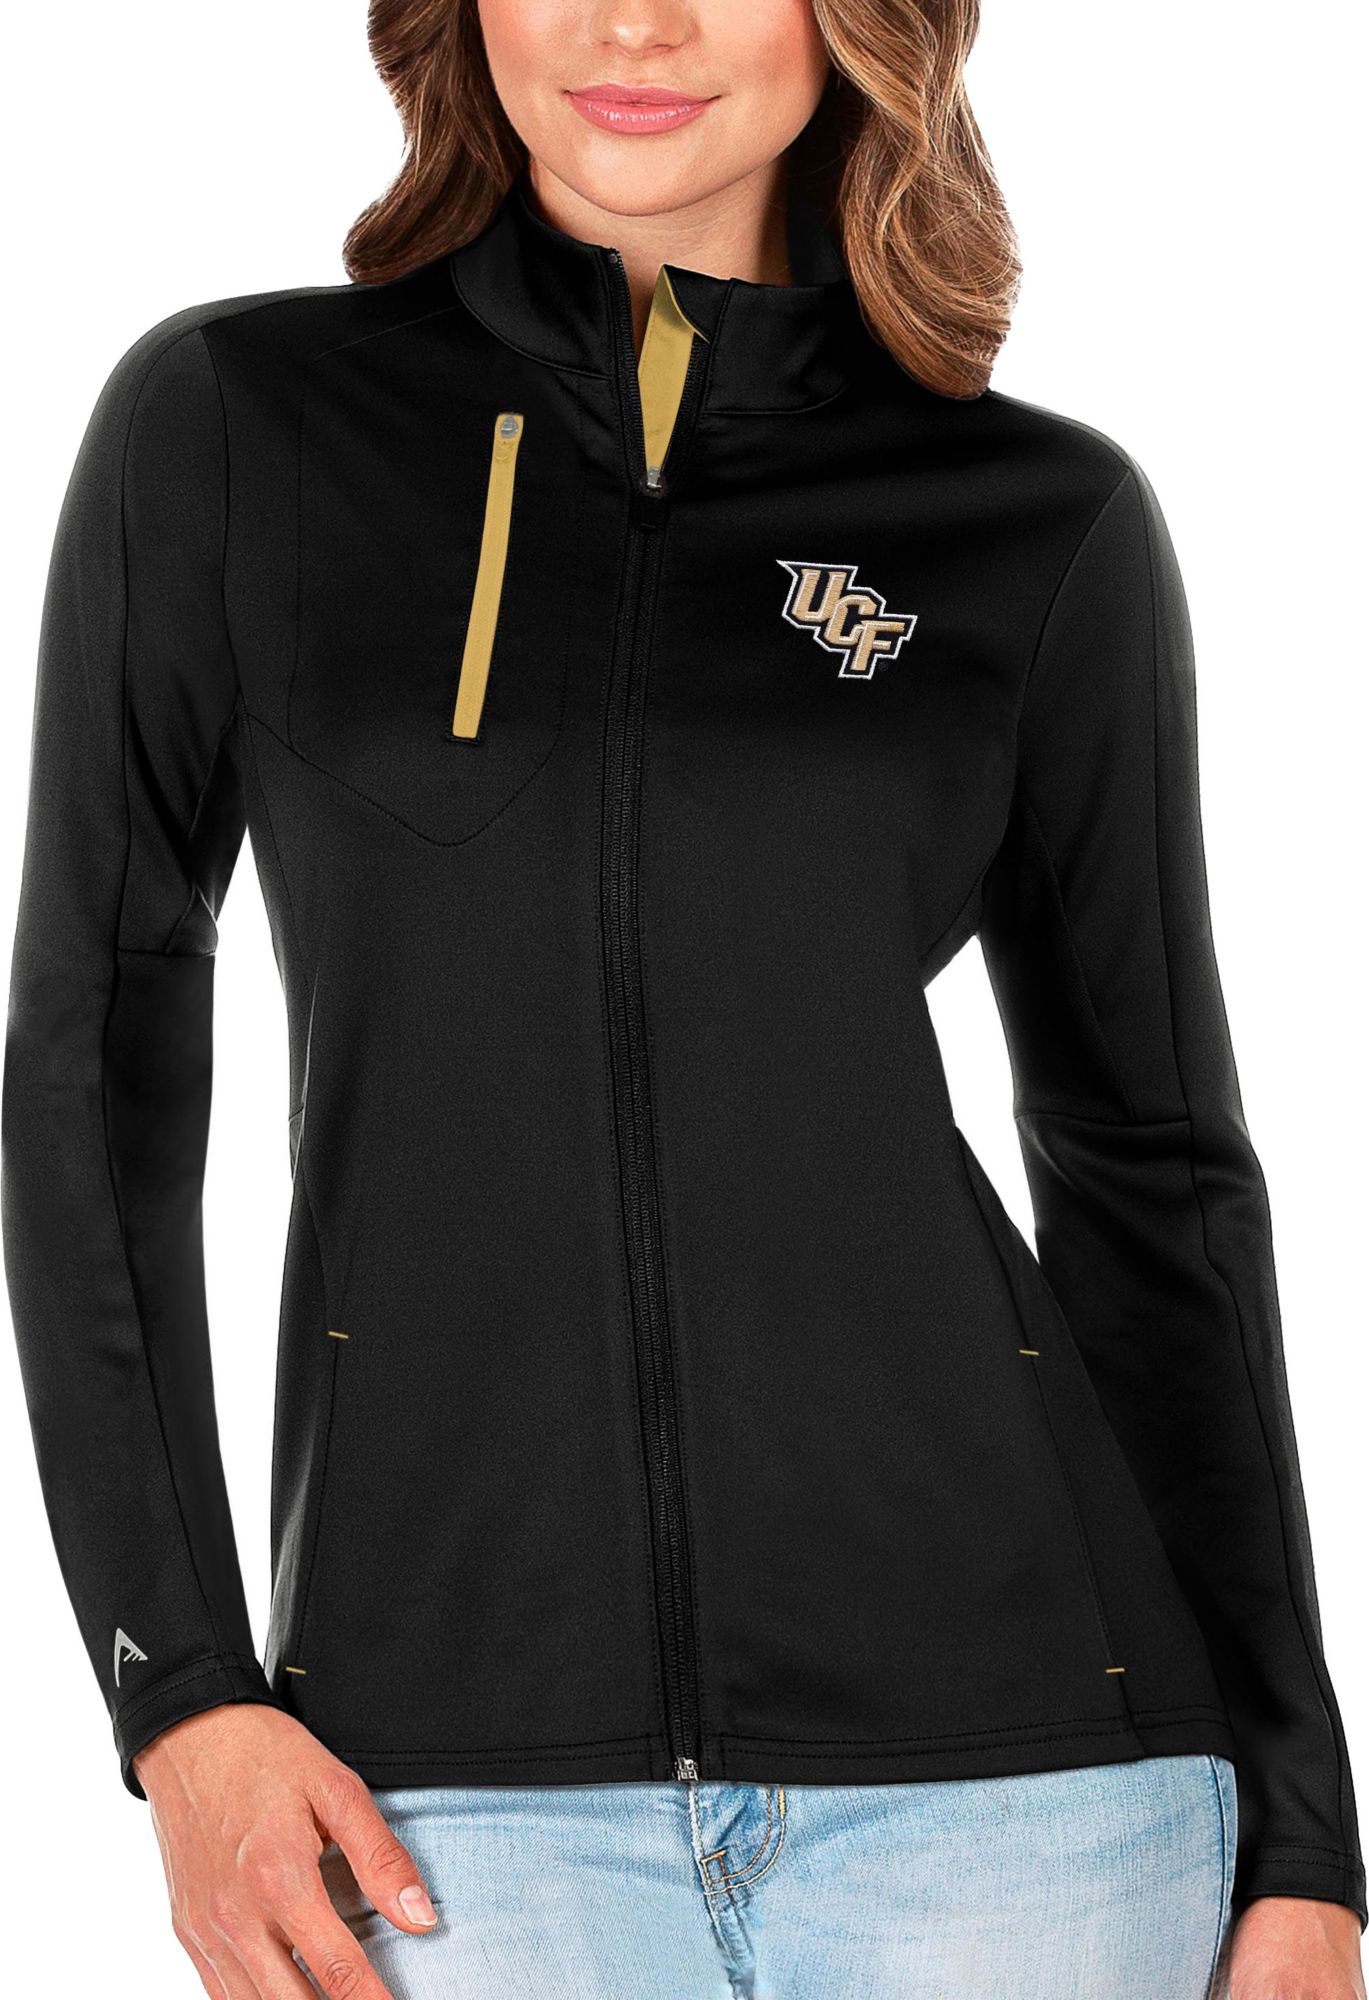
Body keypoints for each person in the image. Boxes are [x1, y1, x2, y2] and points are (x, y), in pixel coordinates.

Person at [2, 0, 1364, 1995]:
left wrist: (1304, 1837)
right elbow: (87, 1068)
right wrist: (179, 1691)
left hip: (1030, 1794)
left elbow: (1151, 1177)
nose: (633, 21)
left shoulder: (1029, 513)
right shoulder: (239, 423)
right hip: (439, 1798)